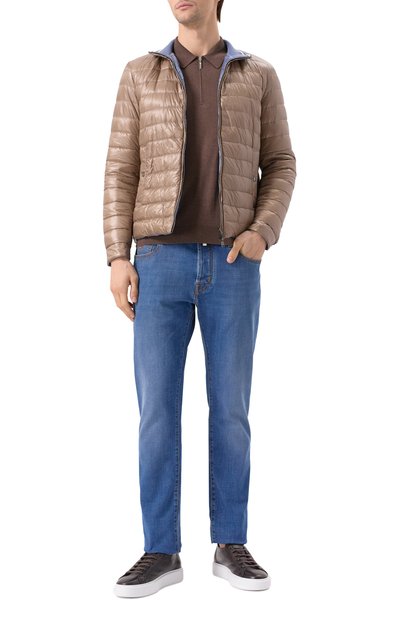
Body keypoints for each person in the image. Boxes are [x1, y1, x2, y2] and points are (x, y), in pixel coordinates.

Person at [103, 0, 296, 598]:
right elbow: (120, 169)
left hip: (233, 264)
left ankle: (230, 543)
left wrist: (262, 232)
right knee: (156, 413)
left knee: (231, 410)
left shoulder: (258, 74)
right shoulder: (140, 73)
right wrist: (116, 255)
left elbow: (281, 163)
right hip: (157, 262)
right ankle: (161, 550)